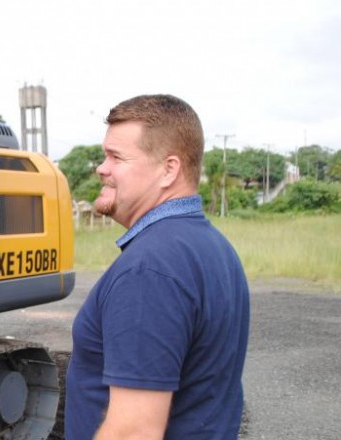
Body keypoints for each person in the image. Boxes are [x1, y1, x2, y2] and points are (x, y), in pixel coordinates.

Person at [65, 94, 250, 439]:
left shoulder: (150, 268)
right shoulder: (213, 246)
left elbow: (132, 432)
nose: (101, 168)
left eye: (116, 157)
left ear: (169, 170)